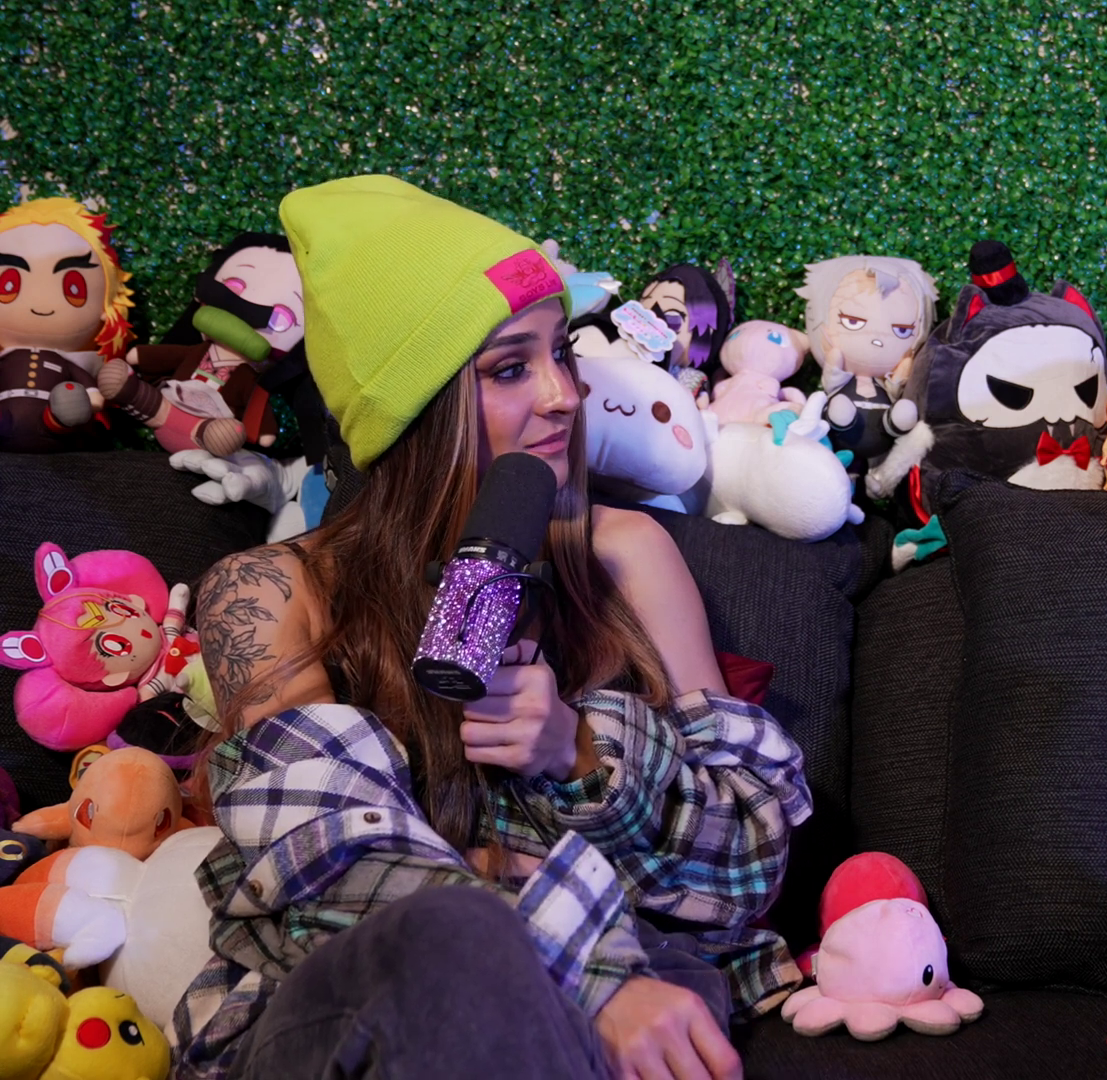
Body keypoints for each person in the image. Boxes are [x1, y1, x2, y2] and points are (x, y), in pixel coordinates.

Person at [174, 175, 810, 1080]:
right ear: (416, 412)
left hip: (617, 1007)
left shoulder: (625, 554)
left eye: (562, 354)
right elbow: (323, 861)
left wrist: (579, 753)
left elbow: (750, 862)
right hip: (363, 1011)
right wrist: (587, 968)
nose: (563, 395)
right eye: (510, 368)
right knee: (454, 939)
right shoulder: (271, 590)